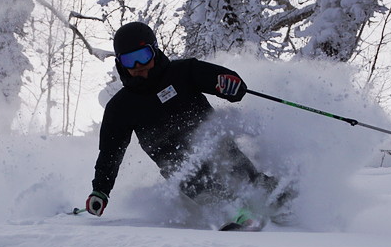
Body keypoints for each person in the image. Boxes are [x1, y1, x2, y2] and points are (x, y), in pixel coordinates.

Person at [86, 22, 285, 224]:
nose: (139, 66)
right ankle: (232, 214)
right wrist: (101, 191)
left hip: (212, 143)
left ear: (154, 51)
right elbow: (110, 154)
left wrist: (231, 85)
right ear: (120, 63)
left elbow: (223, 81)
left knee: (230, 160)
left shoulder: (183, 72)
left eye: (143, 56)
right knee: (189, 177)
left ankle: (278, 199)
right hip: (176, 164)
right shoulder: (121, 107)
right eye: (130, 60)